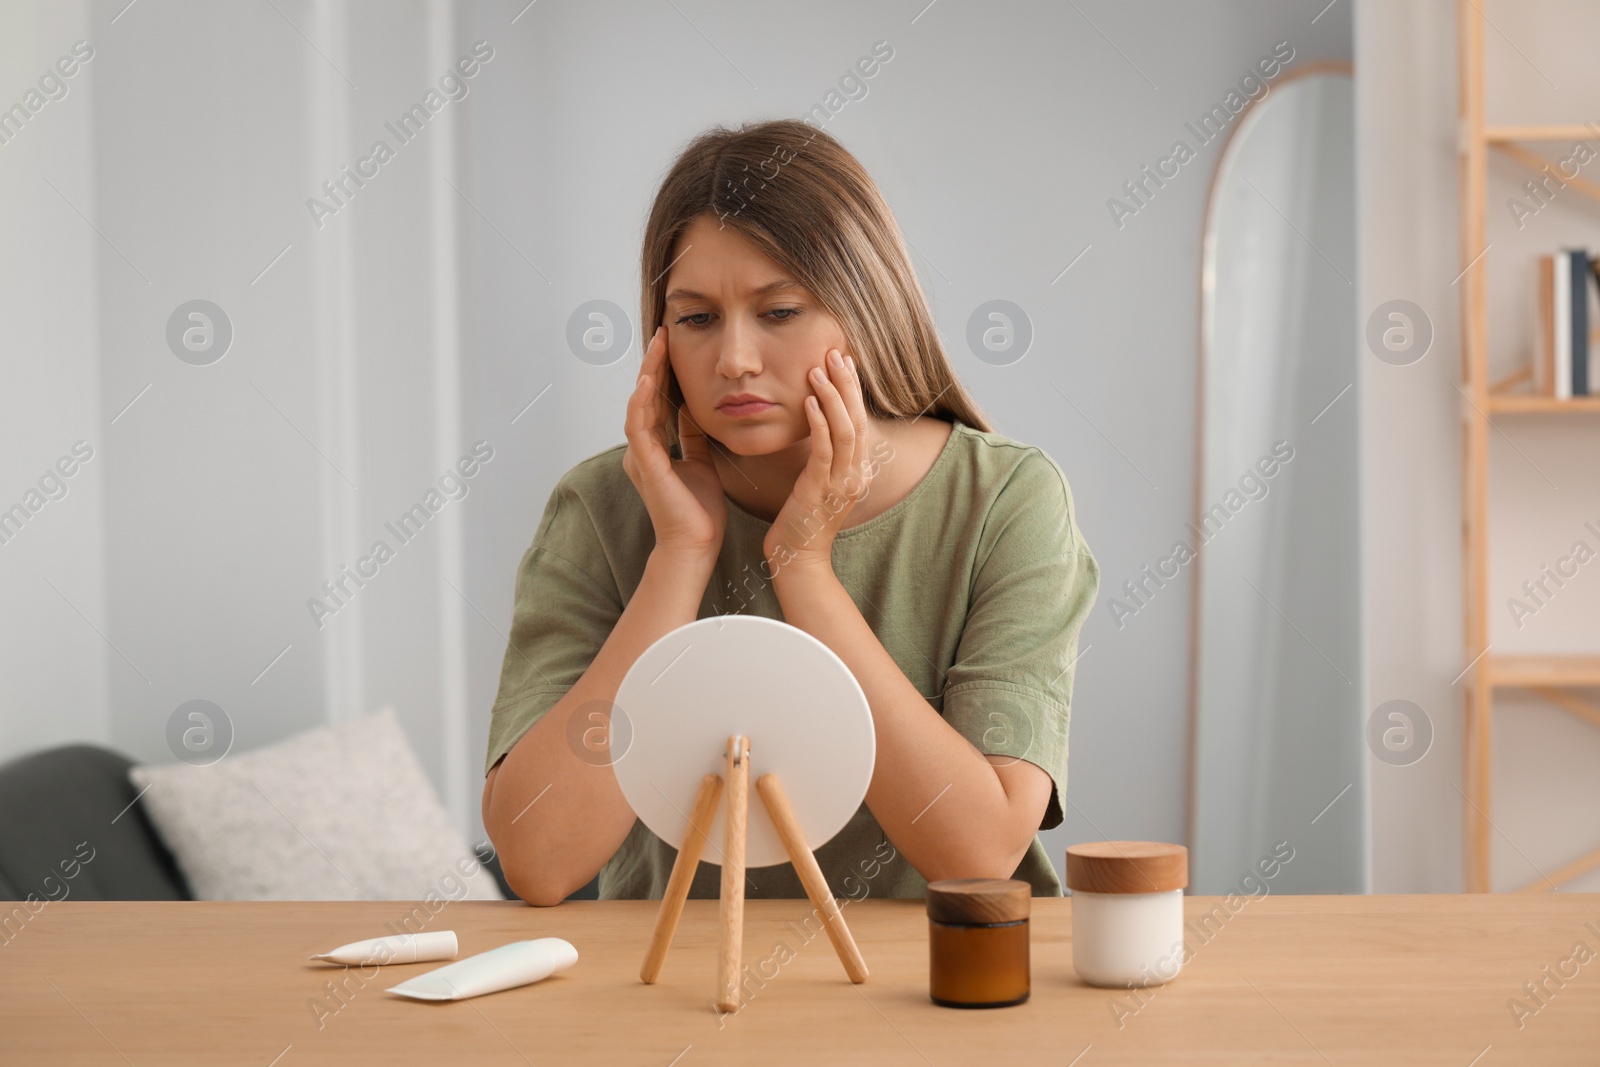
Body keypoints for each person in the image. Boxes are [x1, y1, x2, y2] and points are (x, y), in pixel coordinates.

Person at [481, 118, 1098, 906]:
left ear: (865, 308)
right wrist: (679, 555)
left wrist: (804, 568)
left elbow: (976, 854)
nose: (734, 358)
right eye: (697, 318)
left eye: (779, 312)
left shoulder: (1008, 501)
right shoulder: (603, 506)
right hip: (672, 1002)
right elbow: (537, 857)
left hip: (938, 995)